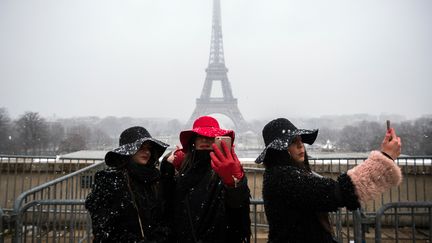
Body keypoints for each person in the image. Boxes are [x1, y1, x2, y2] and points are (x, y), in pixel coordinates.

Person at [255, 118, 402, 243]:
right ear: (279, 150)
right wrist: (384, 159)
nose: (301, 145)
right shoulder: (282, 178)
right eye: (293, 142)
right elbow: (336, 192)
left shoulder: (282, 176)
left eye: (301, 140)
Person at [161, 115, 251, 243]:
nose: (205, 139)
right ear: (193, 141)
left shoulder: (226, 170)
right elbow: (168, 204)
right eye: (200, 136)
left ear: (217, 140)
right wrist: (168, 165)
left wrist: (234, 182)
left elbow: (237, 206)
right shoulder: (180, 170)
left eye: (210, 136)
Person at [85, 126, 172, 243]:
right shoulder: (110, 180)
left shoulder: (154, 179)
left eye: (149, 148)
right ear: (129, 150)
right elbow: (105, 228)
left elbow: (161, 219)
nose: (146, 152)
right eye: (141, 147)